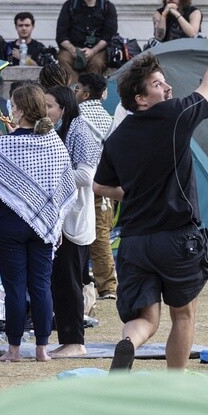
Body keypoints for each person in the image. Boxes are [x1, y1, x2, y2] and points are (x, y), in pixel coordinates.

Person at [95, 28, 208, 372]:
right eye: (158, 84)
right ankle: (174, 384)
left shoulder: (117, 138)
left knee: (146, 319)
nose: (168, 88)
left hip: (135, 242)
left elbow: (100, 186)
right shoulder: (172, 117)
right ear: (140, 99)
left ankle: (128, 343)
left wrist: (131, 191)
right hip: (175, 238)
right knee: (182, 314)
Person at [0, 86, 75, 362]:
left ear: (19, 110)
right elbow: (64, 187)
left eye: (12, 105)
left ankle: (14, 350)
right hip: (43, 225)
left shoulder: (5, 145)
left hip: (9, 224)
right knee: (41, 285)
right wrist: (56, 224)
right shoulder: (54, 143)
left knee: (15, 287)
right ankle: (43, 349)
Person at [47, 85, 102, 358]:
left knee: (69, 282)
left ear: (64, 108)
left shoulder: (79, 131)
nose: (45, 112)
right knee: (61, 280)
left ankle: (75, 342)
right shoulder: (64, 130)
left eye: (49, 106)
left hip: (74, 219)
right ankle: (68, 339)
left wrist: (55, 169)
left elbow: (87, 177)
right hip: (64, 219)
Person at [77, 72, 117, 301]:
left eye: (78, 88)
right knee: (101, 234)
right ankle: (107, 285)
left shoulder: (77, 117)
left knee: (83, 233)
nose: (76, 92)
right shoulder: (108, 119)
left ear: (85, 93)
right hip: (104, 183)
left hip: (81, 183)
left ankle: (102, 284)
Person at [56, 0, 118, 76]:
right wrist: (73, 50)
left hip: (97, 50)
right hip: (72, 48)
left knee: (97, 63)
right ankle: (75, 91)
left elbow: (108, 36)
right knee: (63, 59)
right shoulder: (69, 5)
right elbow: (61, 35)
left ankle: (89, 91)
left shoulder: (107, 7)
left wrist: (92, 51)